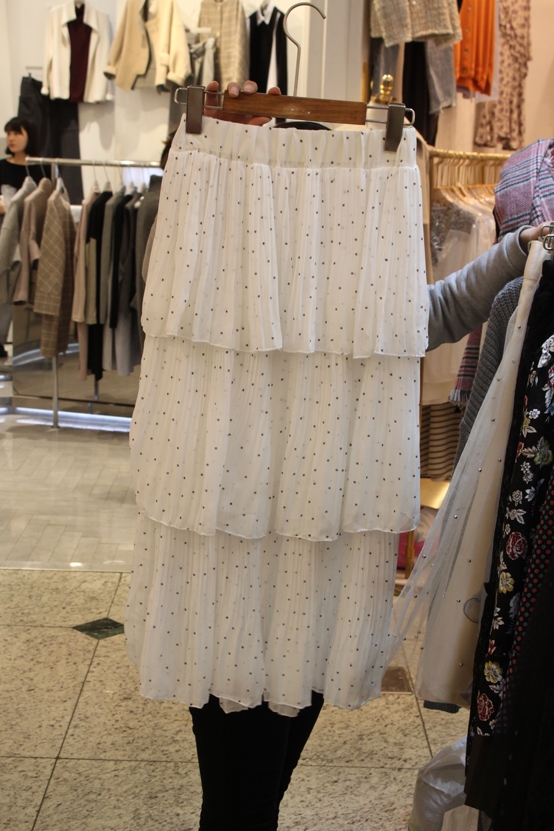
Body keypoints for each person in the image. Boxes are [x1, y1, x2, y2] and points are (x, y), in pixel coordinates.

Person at [132, 80, 546, 831]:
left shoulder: (362, 241)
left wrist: (519, 251)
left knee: (263, 773)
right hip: (234, 545)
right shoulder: (214, 248)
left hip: (323, 541)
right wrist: (199, 151)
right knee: (241, 785)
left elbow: (423, 315)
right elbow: (170, 301)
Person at [0, 116, 43, 214]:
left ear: (30, 136)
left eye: (16, 133)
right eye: (8, 134)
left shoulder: (43, 167)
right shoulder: (2, 166)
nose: (11, 138)